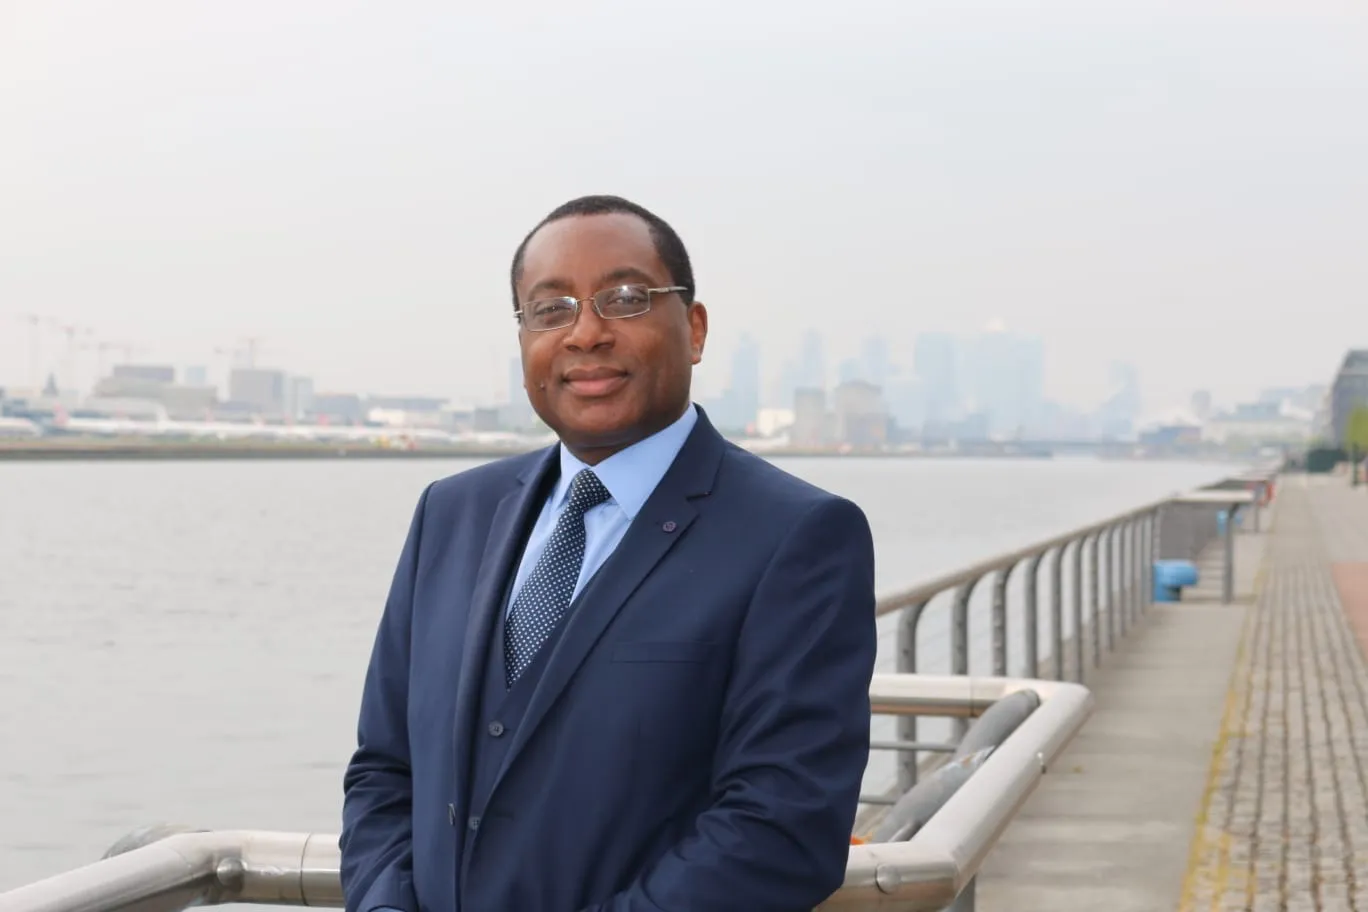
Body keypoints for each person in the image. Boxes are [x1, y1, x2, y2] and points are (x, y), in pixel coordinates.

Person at [339, 195, 878, 912]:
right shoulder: (452, 513)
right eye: (551, 308)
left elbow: (782, 826)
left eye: (625, 299)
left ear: (693, 328)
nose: (585, 334)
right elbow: (384, 769)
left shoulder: (797, 536)